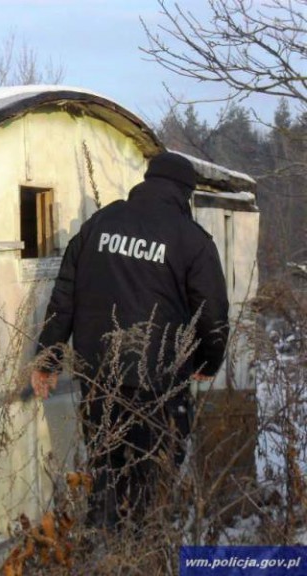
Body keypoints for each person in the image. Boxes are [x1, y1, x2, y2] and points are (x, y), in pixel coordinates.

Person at [31, 151, 230, 528]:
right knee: (154, 477)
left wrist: (48, 359)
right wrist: (207, 361)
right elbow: (213, 312)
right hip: (158, 384)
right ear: (184, 193)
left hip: (98, 377)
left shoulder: (98, 224)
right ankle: (142, 555)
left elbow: (64, 296)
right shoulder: (191, 239)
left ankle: (107, 553)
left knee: (105, 470)